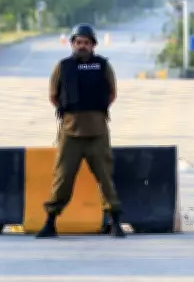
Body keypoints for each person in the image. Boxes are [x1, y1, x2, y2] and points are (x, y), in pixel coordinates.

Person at [36, 23, 125, 239]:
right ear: (72, 44)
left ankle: (115, 222)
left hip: (97, 132)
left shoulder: (103, 66)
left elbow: (112, 93)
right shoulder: (63, 66)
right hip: (70, 132)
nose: (82, 46)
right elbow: (53, 95)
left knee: (105, 177)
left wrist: (94, 111)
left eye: (86, 42)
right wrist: (70, 113)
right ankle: (50, 221)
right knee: (62, 178)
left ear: (93, 45)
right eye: (78, 42)